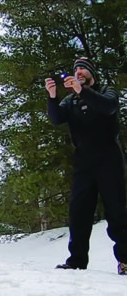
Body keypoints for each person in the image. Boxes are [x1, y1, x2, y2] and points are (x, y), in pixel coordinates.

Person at [45, 57, 127, 275]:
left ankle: (126, 261)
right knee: (79, 213)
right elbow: (56, 119)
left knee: (117, 213)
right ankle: (77, 261)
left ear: (91, 73)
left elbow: (108, 107)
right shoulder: (70, 102)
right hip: (83, 162)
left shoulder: (106, 91)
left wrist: (82, 91)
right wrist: (53, 97)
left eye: (82, 68)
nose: (78, 71)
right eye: (75, 69)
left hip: (109, 160)